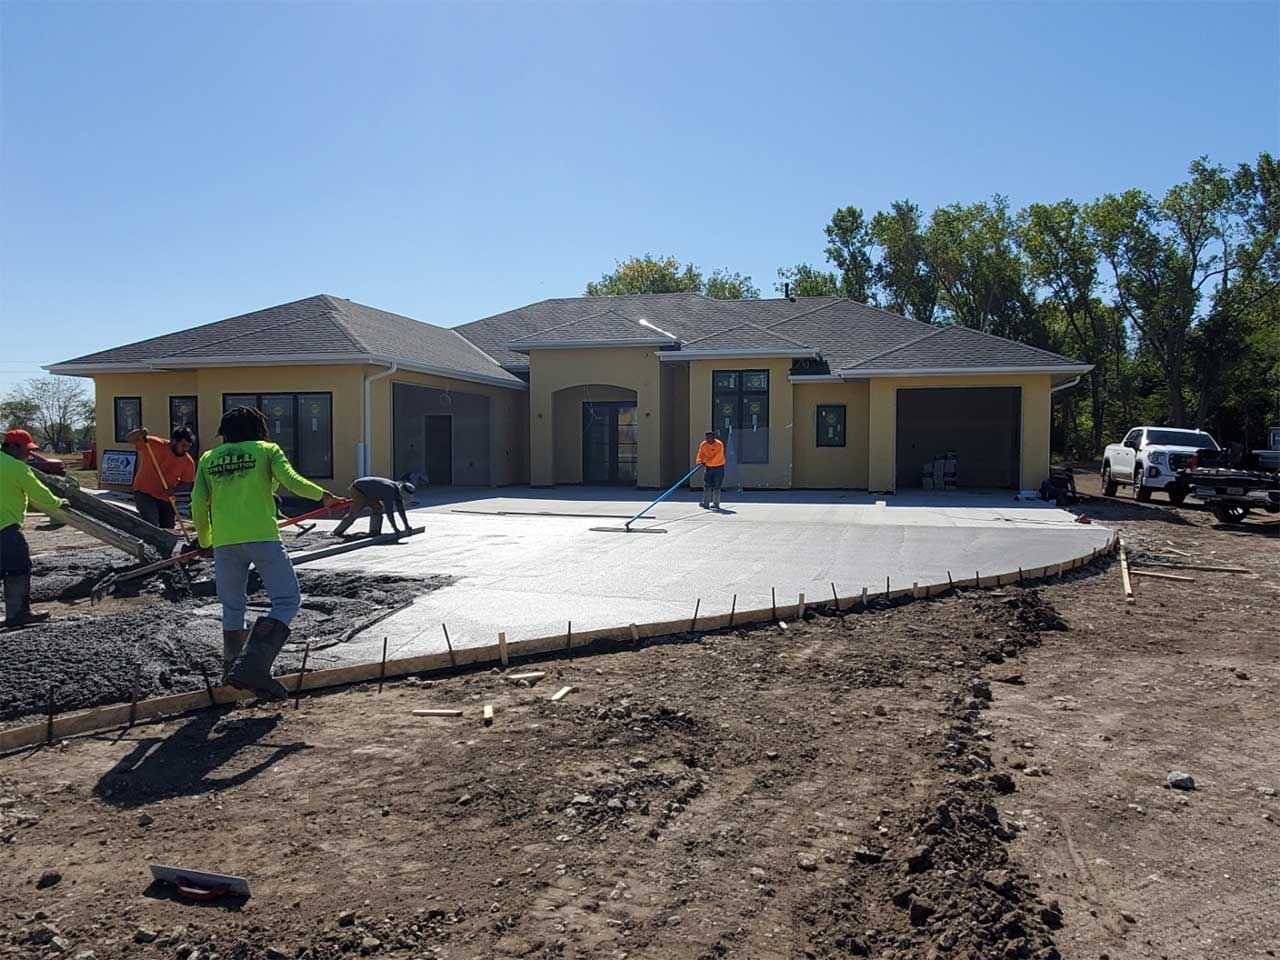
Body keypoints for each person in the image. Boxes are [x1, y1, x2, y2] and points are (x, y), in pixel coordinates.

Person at [191, 406, 340, 698]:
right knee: (287, 600)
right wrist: (324, 497)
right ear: (259, 429)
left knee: (233, 606)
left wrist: (206, 540)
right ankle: (254, 666)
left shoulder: (208, 459)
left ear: (225, 433)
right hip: (262, 537)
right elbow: (293, 482)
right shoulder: (266, 450)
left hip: (225, 543)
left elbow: (197, 503)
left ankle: (232, 670)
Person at [1, 429, 69, 628]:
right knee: (18, 569)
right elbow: (39, 493)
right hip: (5, 527)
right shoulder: (16, 468)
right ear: (12, 447)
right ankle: (18, 614)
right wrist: (58, 503)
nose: (28, 454)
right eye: (25, 449)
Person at [126, 426, 196, 530]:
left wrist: (173, 490)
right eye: (183, 445)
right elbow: (130, 439)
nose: (185, 449)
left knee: (169, 528)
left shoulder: (188, 462)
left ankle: (164, 546)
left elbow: (187, 482)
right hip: (144, 492)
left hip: (166, 497)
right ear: (173, 441)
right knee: (151, 524)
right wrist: (139, 433)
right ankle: (149, 544)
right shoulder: (154, 444)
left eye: (188, 447)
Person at [330, 476, 415, 538]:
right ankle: (336, 533)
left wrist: (406, 525)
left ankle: (374, 531)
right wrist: (395, 528)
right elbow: (389, 512)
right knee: (355, 513)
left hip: (370, 493)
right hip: (358, 489)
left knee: (378, 508)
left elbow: (401, 510)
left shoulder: (397, 492)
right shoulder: (389, 490)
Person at [696, 430, 727, 510]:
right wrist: (699, 461)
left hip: (718, 467)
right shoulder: (704, 444)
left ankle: (716, 503)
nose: (708, 440)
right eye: (706, 438)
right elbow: (700, 454)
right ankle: (706, 503)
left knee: (717, 485)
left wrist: (706, 462)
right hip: (709, 468)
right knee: (707, 485)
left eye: (710, 438)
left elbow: (717, 457)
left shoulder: (719, 445)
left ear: (714, 438)